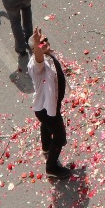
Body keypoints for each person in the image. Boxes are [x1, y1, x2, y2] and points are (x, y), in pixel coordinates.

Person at [27, 28, 73, 179]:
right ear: (34, 49)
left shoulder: (48, 55)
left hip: (50, 105)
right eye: (40, 43)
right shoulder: (37, 65)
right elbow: (38, 58)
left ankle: (46, 147)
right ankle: (51, 167)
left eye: (45, 40)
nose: (44, 43)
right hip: (46, 109)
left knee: (46, 126)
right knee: (60, 137)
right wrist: (37, 45)